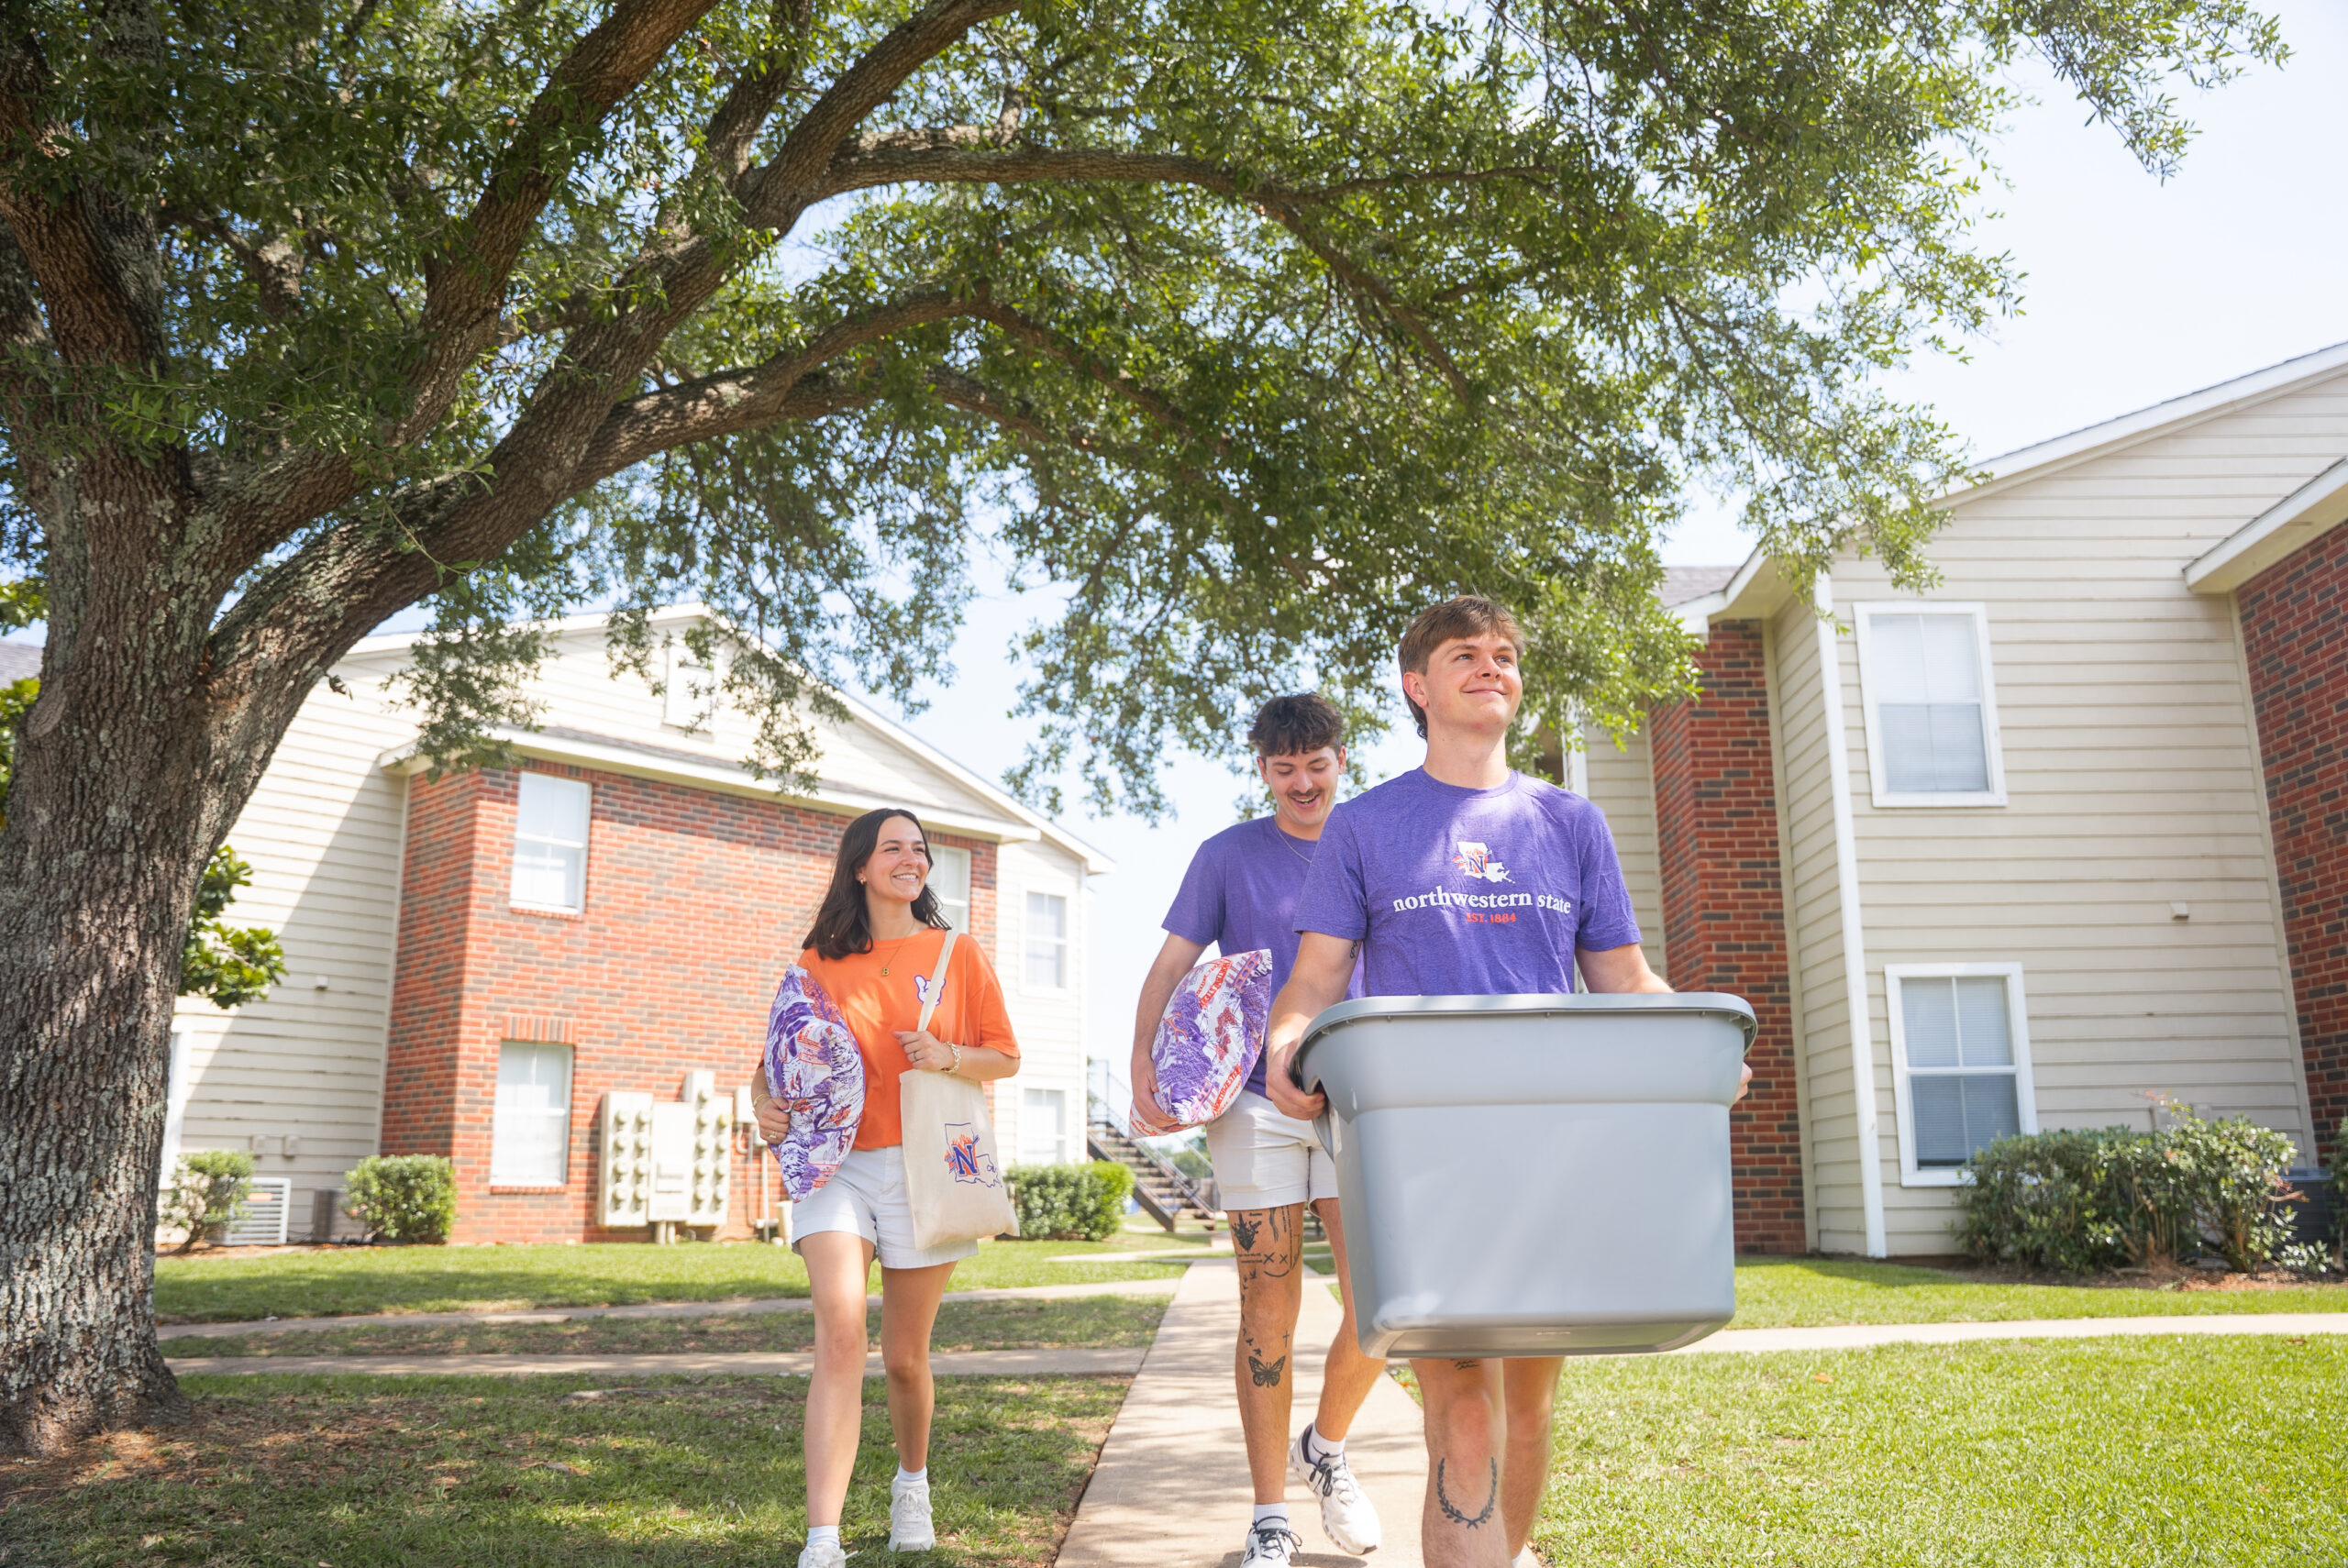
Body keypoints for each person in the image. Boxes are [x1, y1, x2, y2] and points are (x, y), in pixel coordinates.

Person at [1263, 598, 1751, 1568]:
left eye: (1504, 656)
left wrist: (1694, 1053)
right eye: (1463, 656)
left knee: (1526, 1414)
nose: (1491, 667)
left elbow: (1622, 976)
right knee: (1467, 1417)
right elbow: (1315, 981)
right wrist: (1285, 1048)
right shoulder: (1364, 828)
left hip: (1547, 1148)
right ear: (1418, 686)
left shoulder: (1567, 821)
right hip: (1421, 1156)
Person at [1129, 693, 1386, 1568]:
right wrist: (1142, 1071)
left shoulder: (1374, 844)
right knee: (1268, 1310)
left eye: (1317, 764)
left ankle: (1328, 1446)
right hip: (1253, 1104)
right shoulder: (1227, 855)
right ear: (1263, 770)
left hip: (1361, 1097)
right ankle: (1270, 1512)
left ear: (1341, 761)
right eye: (1285, 769)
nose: (1304, 782)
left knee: (1382, 1305)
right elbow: (1170, 965)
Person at [754, 808, 1021, 1568]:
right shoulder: (815, 963)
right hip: (834, 1168)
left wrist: (944, 1054)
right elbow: (774, 1060)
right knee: (840, 1336)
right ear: (861, 868)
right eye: (892, 848)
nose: (911, 858)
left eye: (919, 849)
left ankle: (912, 1483)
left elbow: (1004, 1058)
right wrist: (761, 1103)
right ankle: (823, 1539)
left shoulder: (955, 953)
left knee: (904, 1356)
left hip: (923, 1166)